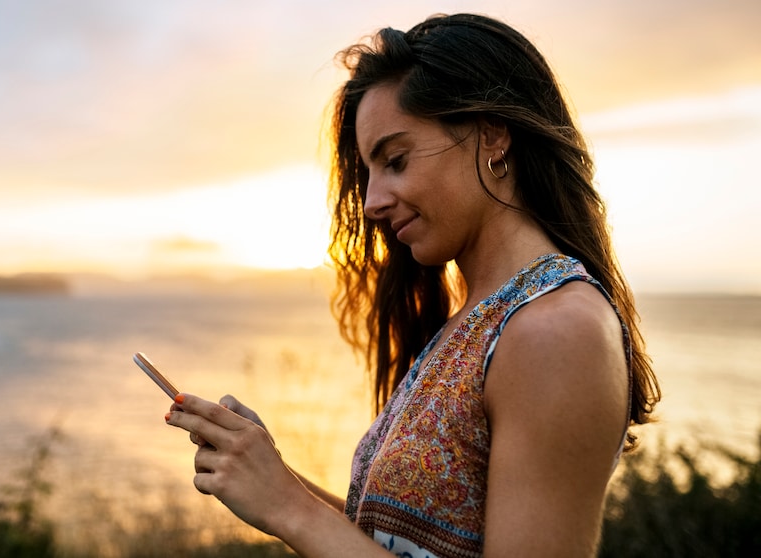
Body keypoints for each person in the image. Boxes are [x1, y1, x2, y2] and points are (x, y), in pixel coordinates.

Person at [164, 13, 660, 558]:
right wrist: (268, 472)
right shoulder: (476, 320)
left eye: (395, 161)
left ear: (492, 135)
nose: (373, 201)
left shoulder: (557, 331)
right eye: (370, 173)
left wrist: (288, 505)